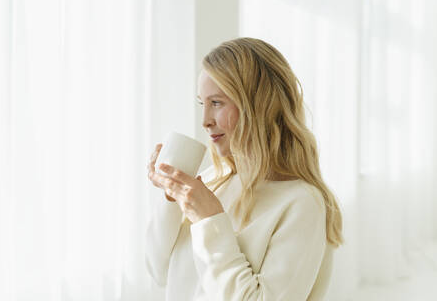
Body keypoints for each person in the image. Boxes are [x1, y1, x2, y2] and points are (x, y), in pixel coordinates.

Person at [145, 37, 344, 300]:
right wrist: (171, 198)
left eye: (217, 103)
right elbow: (159, 272)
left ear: (259, 107)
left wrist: (209, 220)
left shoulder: (302, 203)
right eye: (202, 104)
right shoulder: (212, 181)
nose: (205, 120)